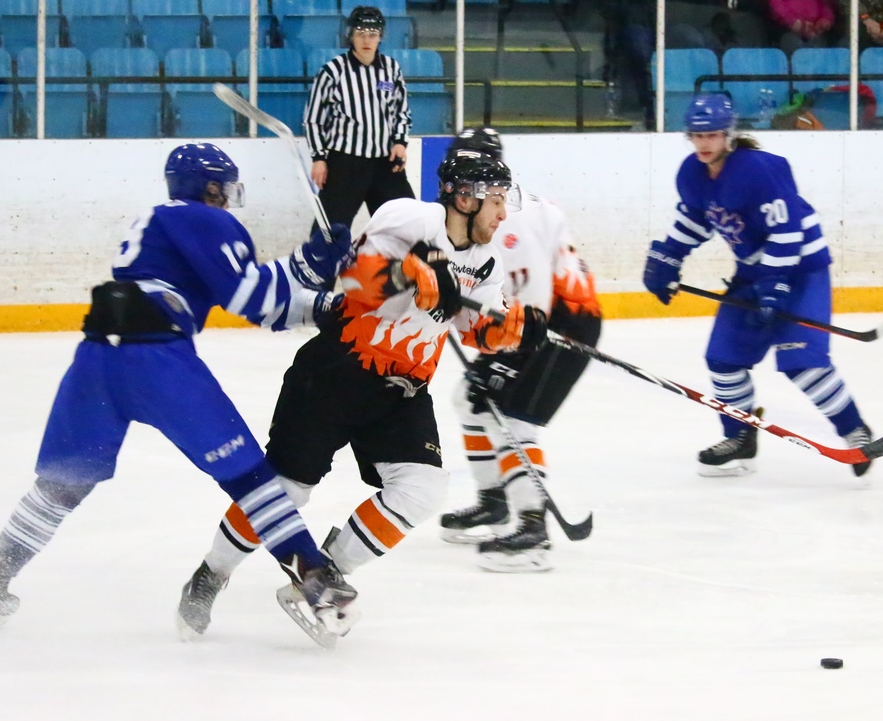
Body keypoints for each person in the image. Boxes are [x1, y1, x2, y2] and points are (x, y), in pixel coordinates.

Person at [0, 143, 361, 639]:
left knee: (62, 484)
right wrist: (311, 270)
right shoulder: (205, 219)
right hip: (155, 363)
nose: (229, 199)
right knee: (250, 476)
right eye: (225, 189)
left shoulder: (159, 221)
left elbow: (256, 300)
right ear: (210, 188)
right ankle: (316, 580)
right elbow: (250, 296)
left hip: (96, 360)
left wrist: (317, 295)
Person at [175, 149, 550, 636]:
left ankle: (324, 573)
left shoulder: (486, 261)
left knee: (421, 490)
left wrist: (513, 329)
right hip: (337, 372)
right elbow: (353, 280)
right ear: (464, 198)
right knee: (288, 489)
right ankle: (211, 574)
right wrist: (407, 274)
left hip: (403, 390)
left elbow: (473, 326)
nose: (503, 214)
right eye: (496, 200)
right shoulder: (408, 218)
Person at [642, 94, 872, 478]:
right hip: (754, 273)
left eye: (712, 135)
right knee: (723, 360)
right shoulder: (692, 173)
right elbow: (695, 219)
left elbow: (787, 229)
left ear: (729, 135)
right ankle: (740, 437)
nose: (703, 143)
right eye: (697, 135)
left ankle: (855, 432)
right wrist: (667, 258)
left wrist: (775, 283)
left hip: (801, 270)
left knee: (803, 363)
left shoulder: (759, 169)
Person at [437, 128, 602, 573]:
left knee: (512, 418)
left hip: (562, 325)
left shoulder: (515, 220)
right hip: (524, 321)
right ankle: (493, 502)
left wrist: (506, 362)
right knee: (470, 399)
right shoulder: (477, 210)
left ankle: (533, 529)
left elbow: (534, 303)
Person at [303, 5, 415, 232]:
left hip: (385, 163)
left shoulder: (391, 69)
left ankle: (419, 257)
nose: (366, 40)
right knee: (328, 232)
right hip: (345, 164)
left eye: (372, 34)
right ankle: (319, 258)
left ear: (380, 36)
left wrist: (400, 142)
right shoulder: (332, 71)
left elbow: (401, 111)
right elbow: (313, 119)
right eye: (360, 33)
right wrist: (319, 158)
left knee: (409, 225)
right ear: (350, 35)